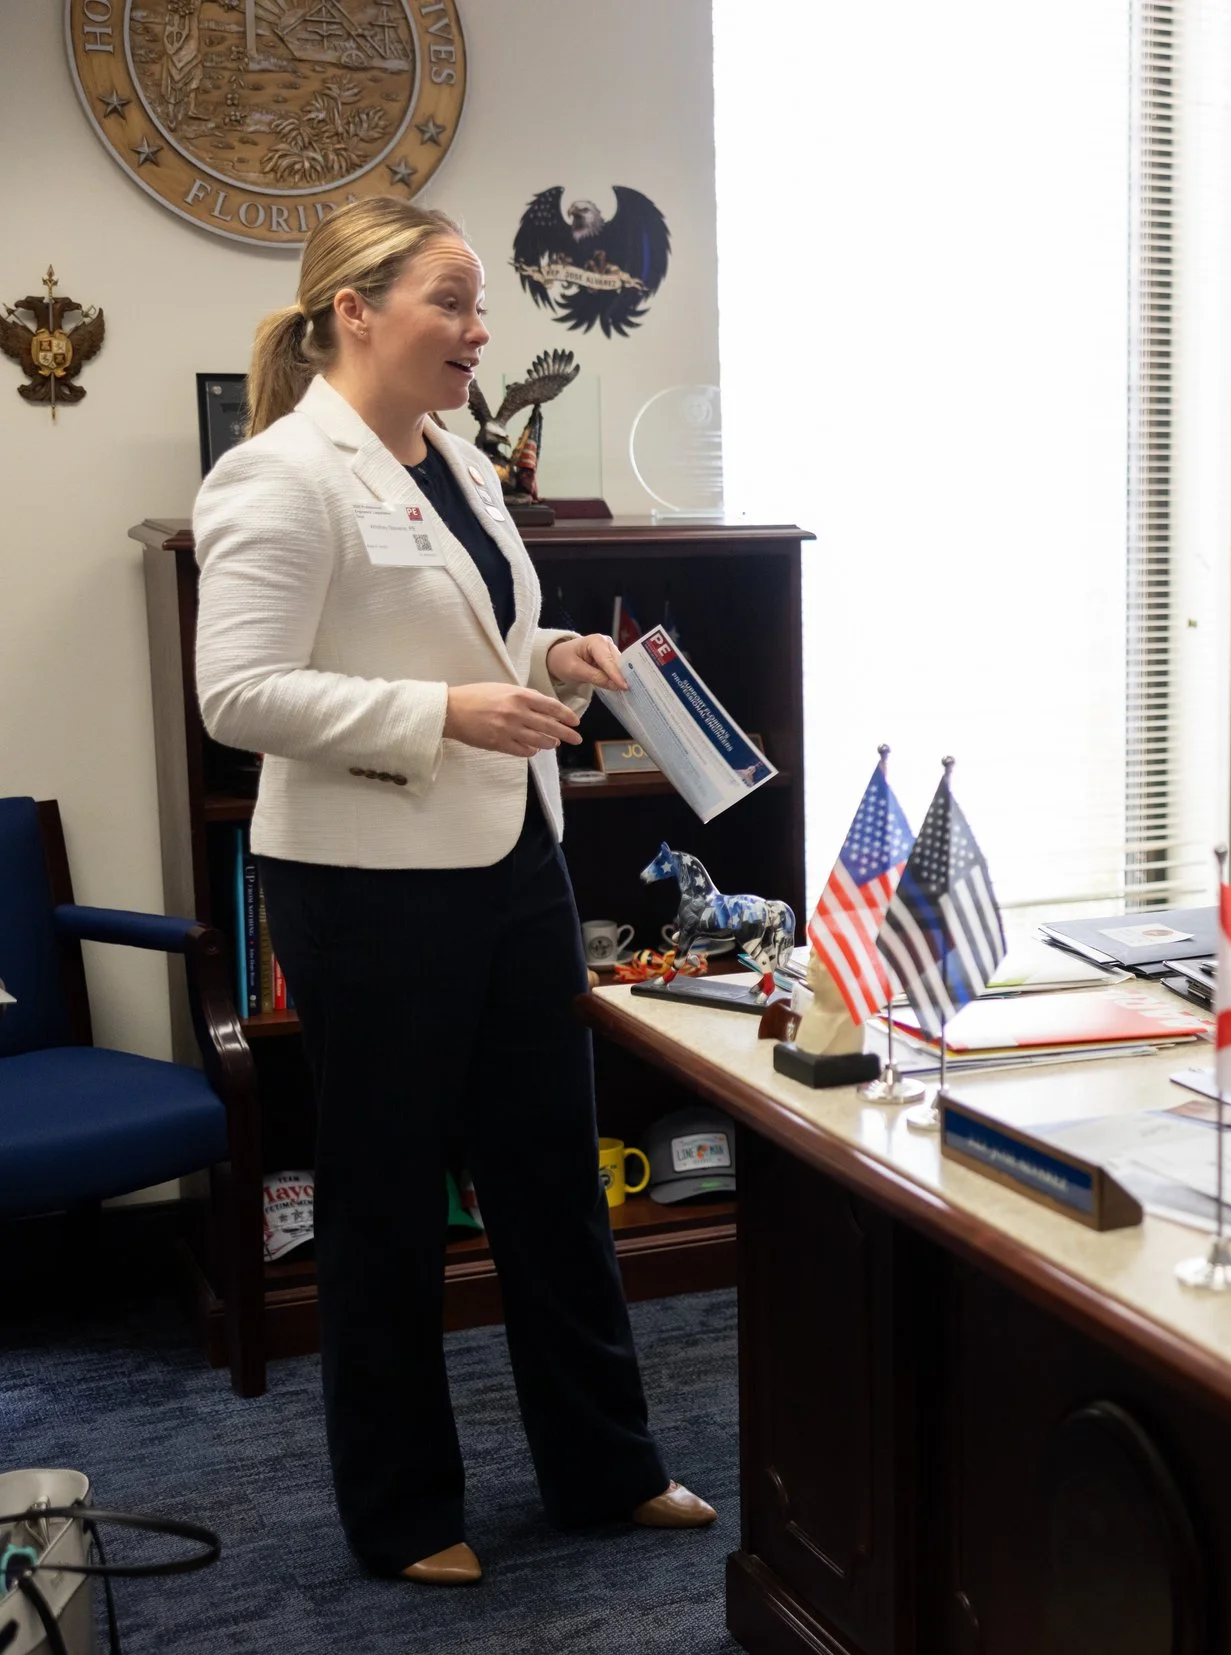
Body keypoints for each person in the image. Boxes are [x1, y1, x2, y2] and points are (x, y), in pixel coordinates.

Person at [191, 198, 713, 1585]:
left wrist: (551, 661)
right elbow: (238, 694)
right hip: (365, 886)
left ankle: (608, 1467)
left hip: (511, 860)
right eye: (454, 300)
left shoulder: (462, 458)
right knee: (386, 1202)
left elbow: (475, 622)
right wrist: (444, 713)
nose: (483, 330)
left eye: (480, 306)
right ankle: (405, 1509)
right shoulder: (277, 473)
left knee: (552, 1182)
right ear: (354, 309)